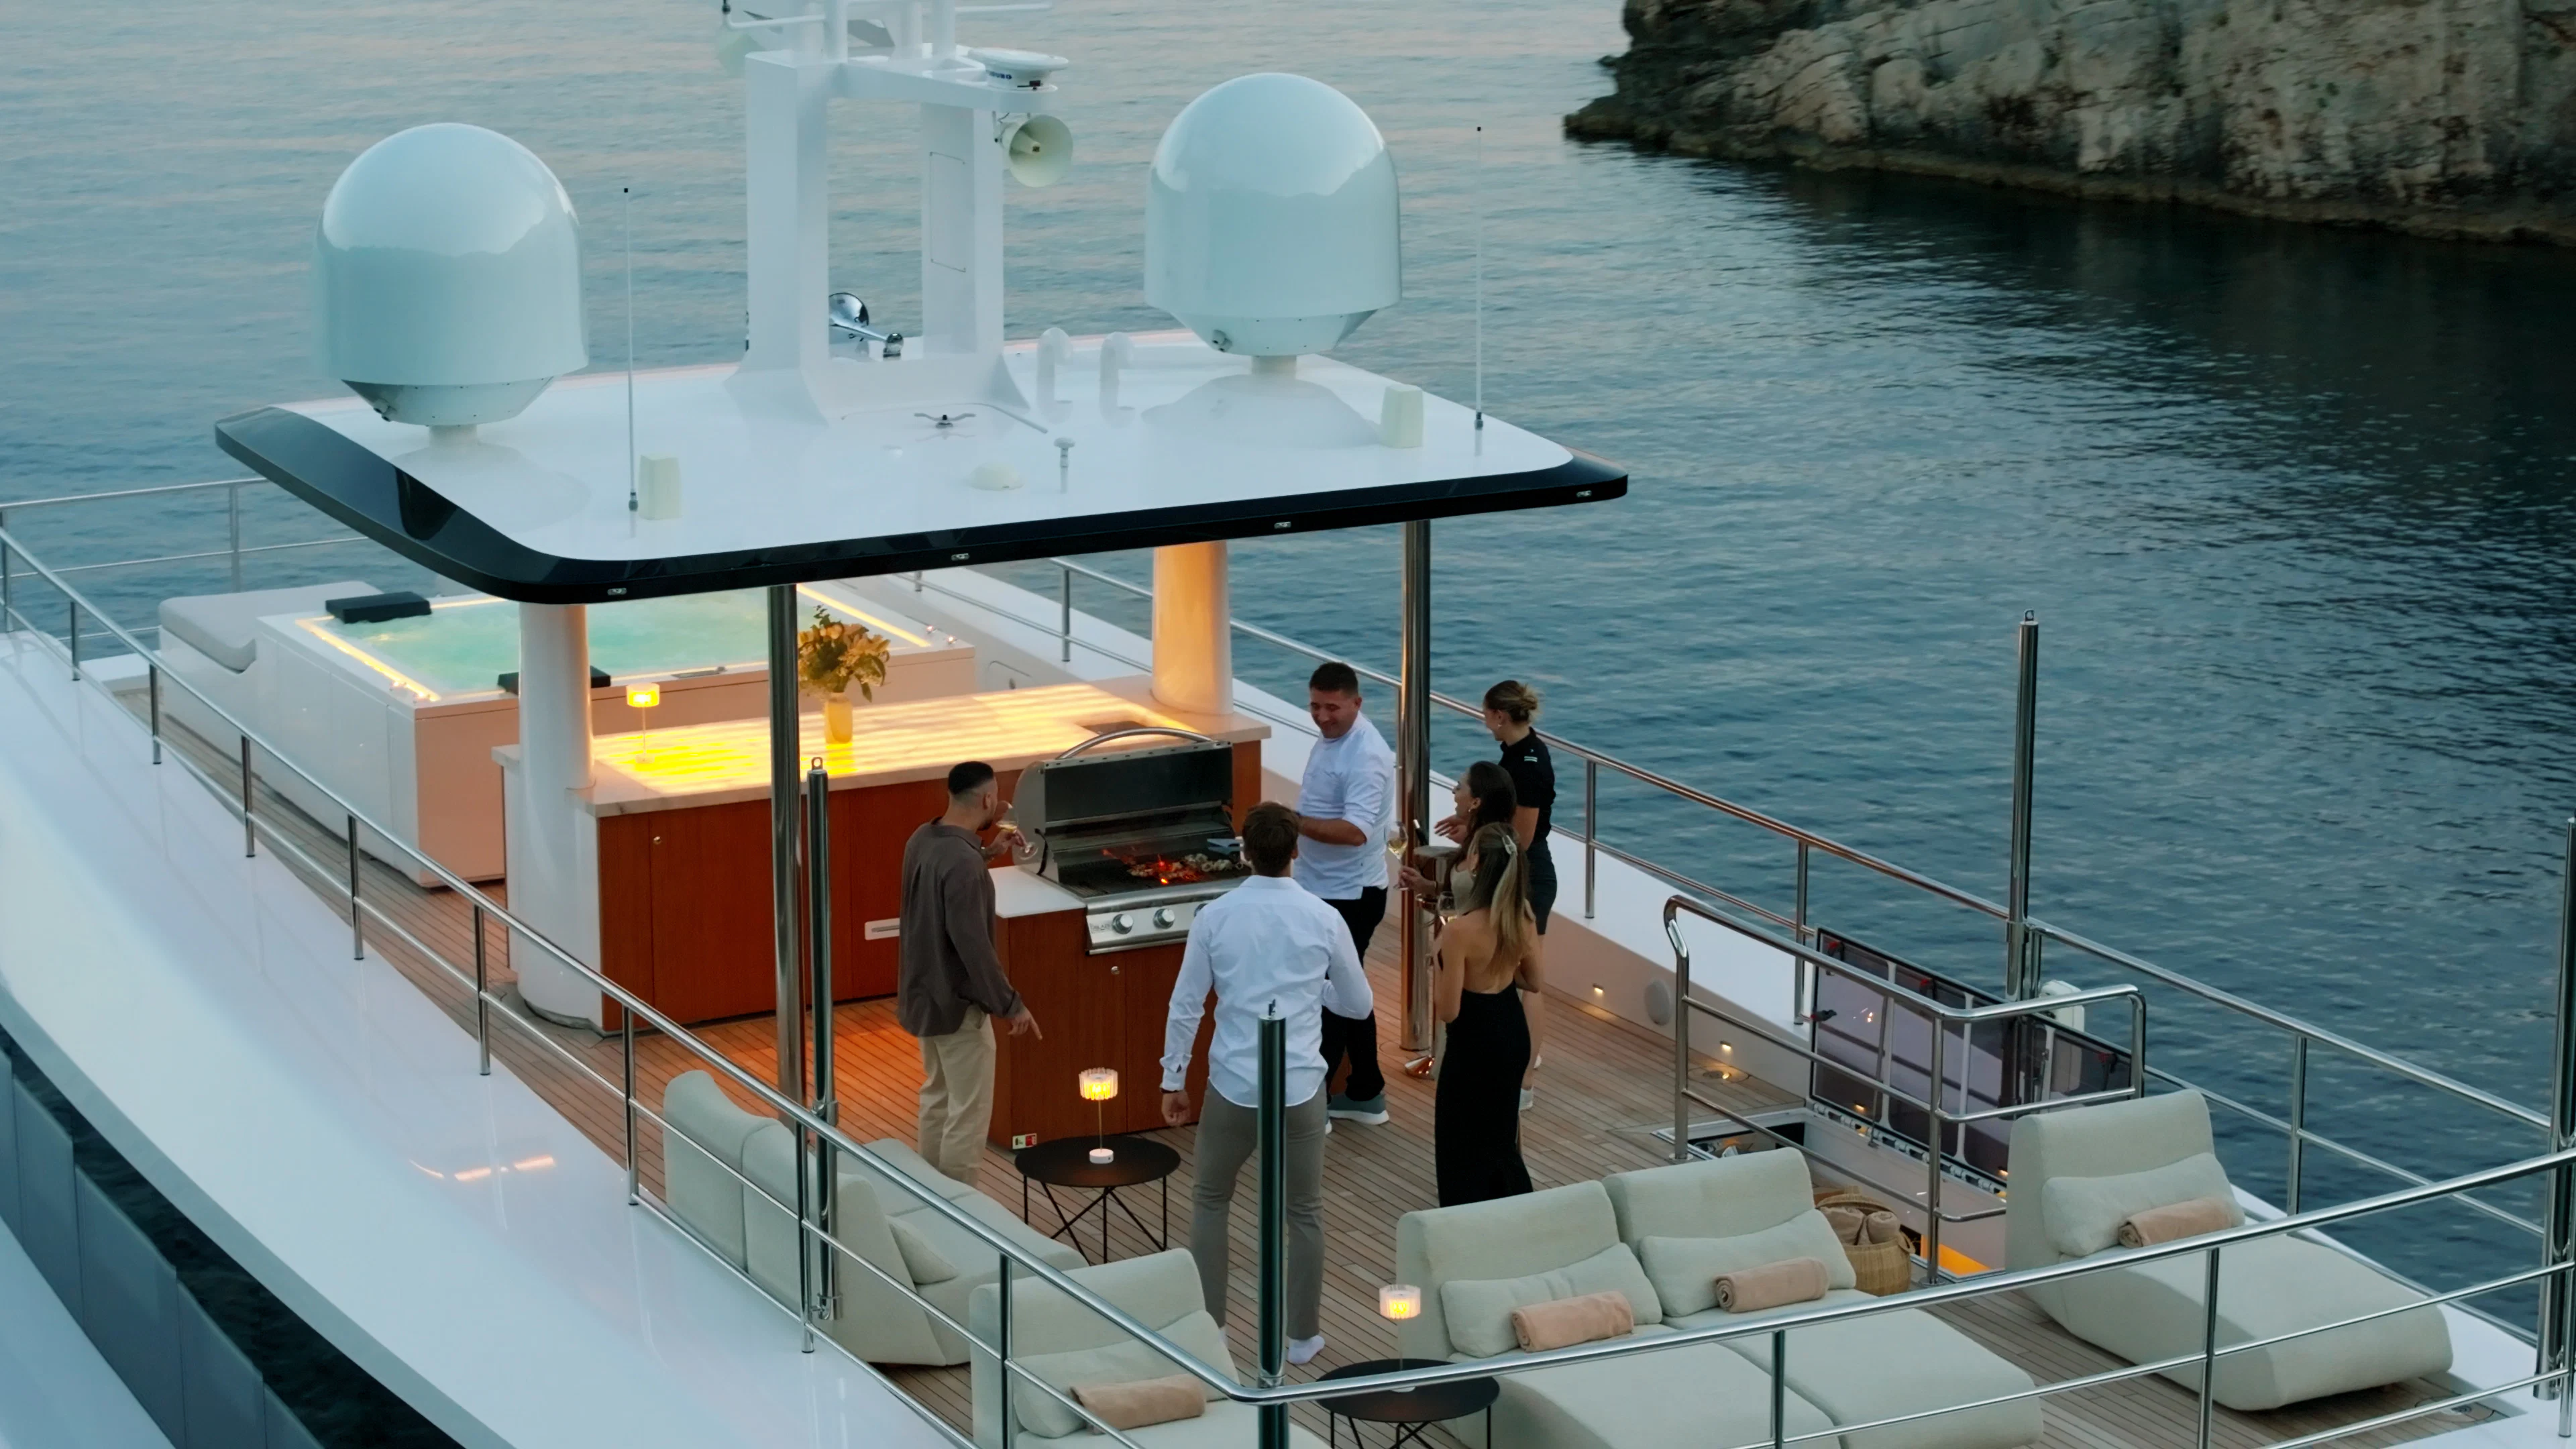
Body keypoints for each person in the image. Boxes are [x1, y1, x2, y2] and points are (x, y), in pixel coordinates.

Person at [1160, 802, 1373, 1366]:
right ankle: (1302, 1337)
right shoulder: (1325, 918)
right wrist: (1314, 994)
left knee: (1210, 1200)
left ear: (1244, 851)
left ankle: (1214, 1329)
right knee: (1304, 1211)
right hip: (1301, 1084)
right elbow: (1358, 1002)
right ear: (1297, 850)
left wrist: (1172, 1077)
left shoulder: (1215, 917)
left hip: (1233, 1082)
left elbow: (1187, 1005)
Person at [897, 761, 1042, 1184]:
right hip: (959, 1007)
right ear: (987, 800)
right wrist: (1011, 1005)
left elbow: (947, 877)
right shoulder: (963, 863)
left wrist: (988, 853)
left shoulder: (922, 838)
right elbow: (975, 948)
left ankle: (930, 1191)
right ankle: (960, 1206)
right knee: (969, 1111)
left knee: (937, 1096)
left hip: (924, 996)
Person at [1293, 661, 1397, 1125]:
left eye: (1332, 707)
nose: (1322, 716)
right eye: (1315, 705)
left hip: (1350, 895)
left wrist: (1291, 823)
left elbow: (1355, 831)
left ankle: (1314, 1104)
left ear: (1357, 703)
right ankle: (1366, 1090)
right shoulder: (1332, 737)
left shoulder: (1366, 755)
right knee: (1348, 990)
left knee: (1330, 996)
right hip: (1320, 887)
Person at [1432, 822, 1543, 1205]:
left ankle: (1466, 1222)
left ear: (1477, 864)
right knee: (1501, 1137)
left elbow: (1448, 1011)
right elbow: (1534, 981)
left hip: (1474, 1042)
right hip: (1510, 1030)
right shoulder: (1522, 917)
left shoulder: (1459, 931)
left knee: (1459, 1143)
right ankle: (1515, 1211)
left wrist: (1438, 963)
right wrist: (1503, 962)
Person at [1481, 680, 1555, 1111]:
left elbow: (1522, 838)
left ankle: (1524, 1078)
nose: (1484, 720)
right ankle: (1520, 1060)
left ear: (1500, 716)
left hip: (1528, 874)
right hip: (1523, 870)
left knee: (1530, 976)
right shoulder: (1517, 753)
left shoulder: (1527, 764)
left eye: (1486, 713)